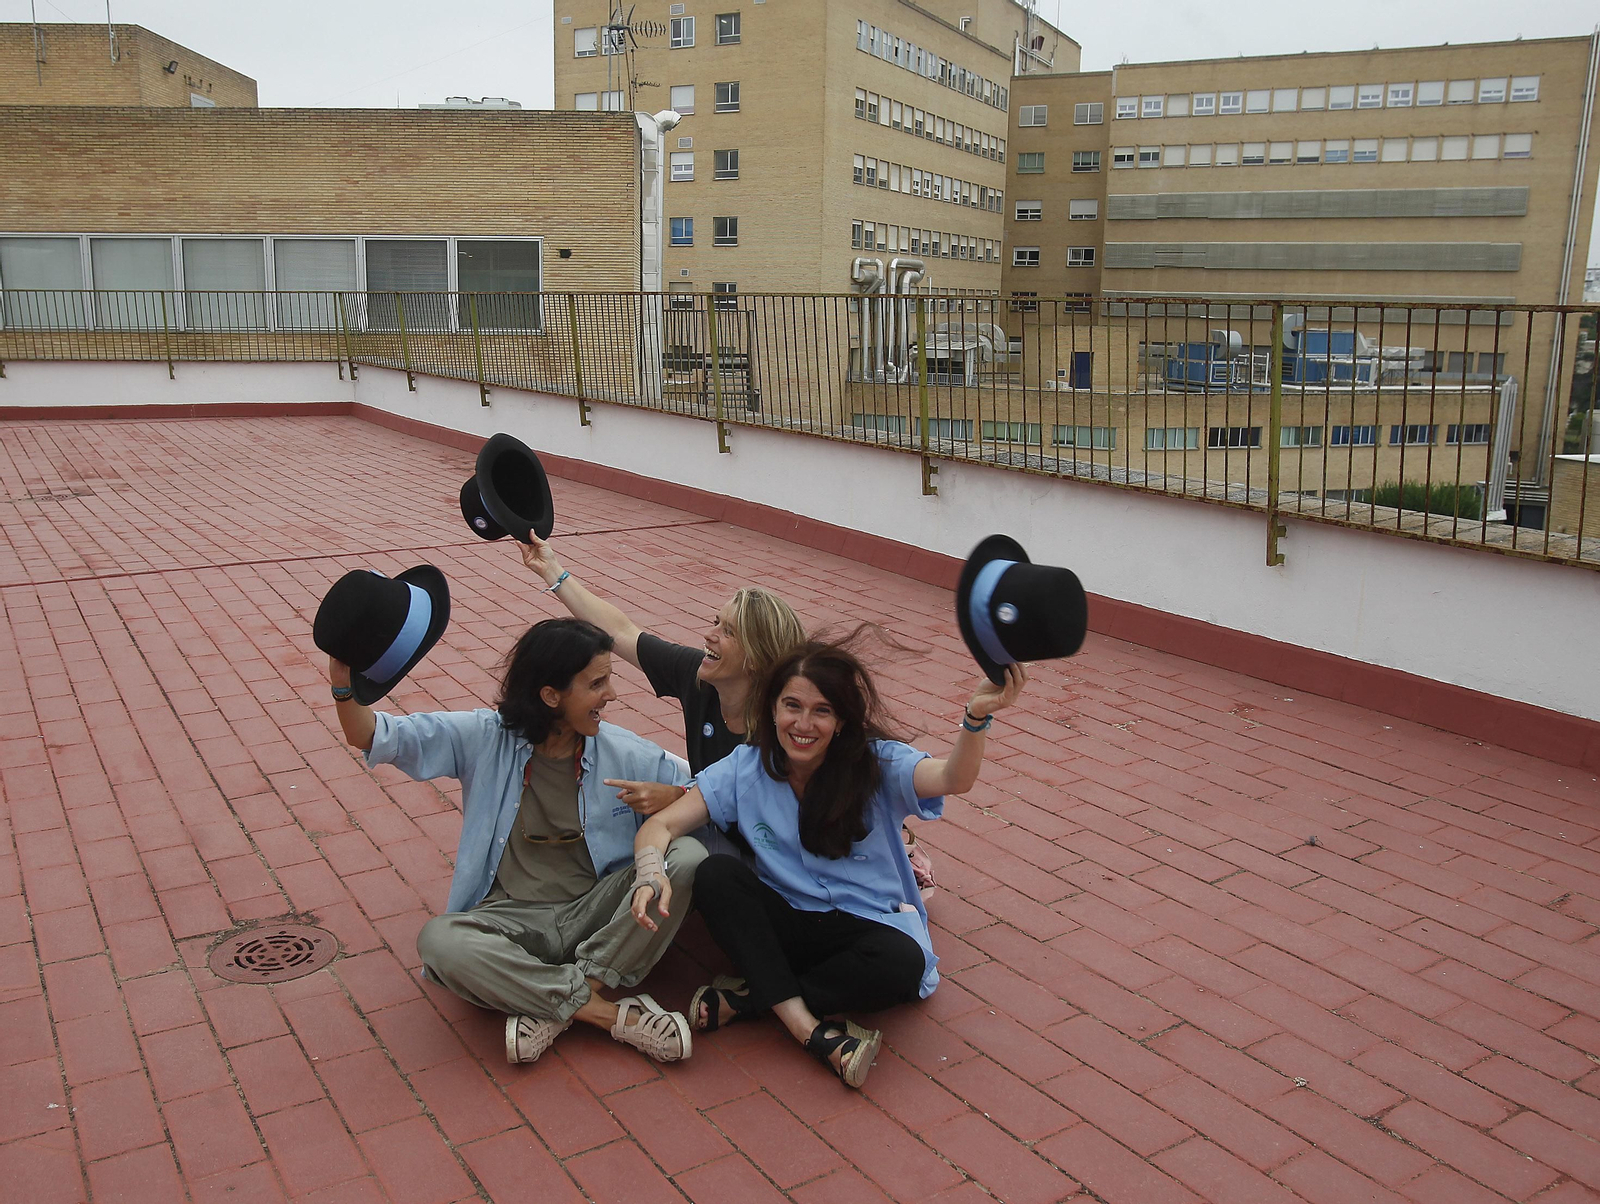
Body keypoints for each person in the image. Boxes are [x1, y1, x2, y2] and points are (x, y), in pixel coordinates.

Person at [625, 636, 1026, 1089]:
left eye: (822, 711)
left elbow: (955, 778)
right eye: (791, 706)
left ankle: (755, 998)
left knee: (903, 964)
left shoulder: (878, 764)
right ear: (772, 709)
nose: (803, 724)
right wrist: (650, 873)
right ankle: (811, 1032)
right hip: (788, 919)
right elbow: (660, 827)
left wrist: (976, 717)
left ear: (840, 721)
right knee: (715, 874)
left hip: (860, 925)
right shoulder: (747, 765)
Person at [328, 617, 706, 1066]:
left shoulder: (625, 751)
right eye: (597, 683)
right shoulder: (483, 737)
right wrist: (342, 685)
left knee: (687, 855)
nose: (612, 695)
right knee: (440, 941)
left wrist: (676, 795)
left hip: (596, 912)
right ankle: (606, 1014)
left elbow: (711, 789)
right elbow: (370, 734)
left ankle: (550, 1004)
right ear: (551, 696)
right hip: (511, 921)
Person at [520, 537, 938, 892]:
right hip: (724, 818)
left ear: (756, 660)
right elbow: (623, 632)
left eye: (727, 631)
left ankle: (893, 846)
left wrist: (681, 798)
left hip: (786, 843)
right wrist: (554, 572)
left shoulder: (792, 725)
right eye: (714, 621)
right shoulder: (698, 676)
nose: (709, 634)